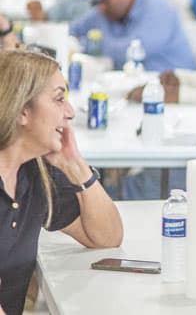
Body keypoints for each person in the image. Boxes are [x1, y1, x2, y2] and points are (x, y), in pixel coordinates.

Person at [0, 50, 123, 315]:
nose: (69, 113)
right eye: (59, 100)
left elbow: (106, 238)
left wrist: (75, 166)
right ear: (22, 110)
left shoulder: (34, 171)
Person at [70, 0, 196, 72]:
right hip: (133, 87)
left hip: (171, 89)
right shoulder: (107, 11)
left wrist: (87, 45)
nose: (101, 7)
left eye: (104, 0)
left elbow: (127, 52)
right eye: (96, 2)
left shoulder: (159, 9)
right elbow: (72, 31)